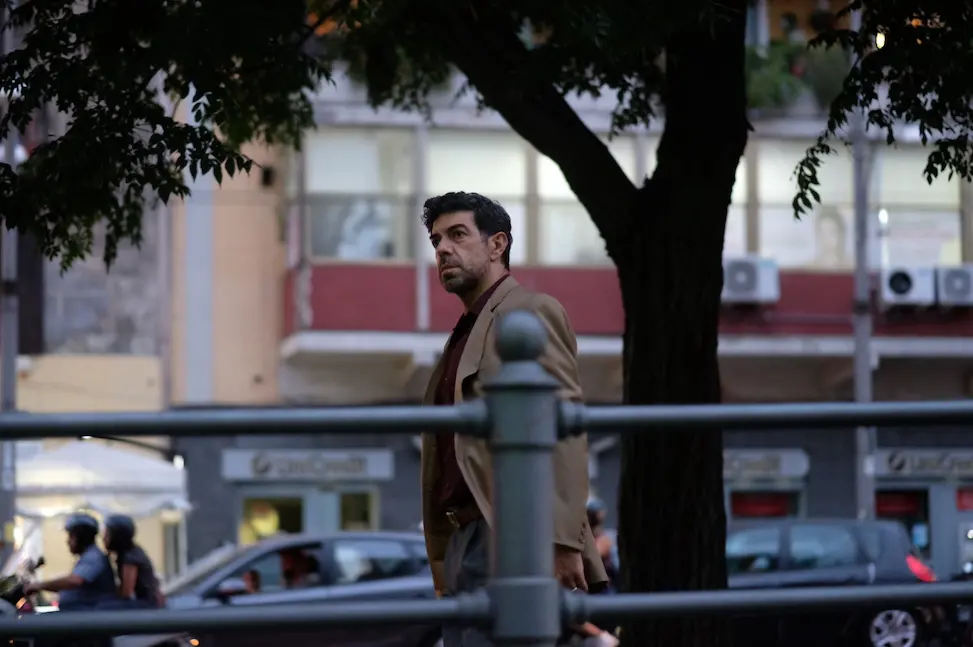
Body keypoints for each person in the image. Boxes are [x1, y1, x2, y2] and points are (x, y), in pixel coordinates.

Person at [419, 192, 607, 647]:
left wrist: (561, 541)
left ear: (497, 244)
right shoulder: (465, 331)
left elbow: (563, 430)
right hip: (466, 537)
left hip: (513, 532)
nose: (443, 249)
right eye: (436, 240)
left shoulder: (529, 311)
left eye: (457, 235)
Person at [24, 513, 116, 611]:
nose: (67, 541)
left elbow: (74, 581)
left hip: (86, 615)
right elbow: (69, 586)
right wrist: (42, 586)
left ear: (81, 537)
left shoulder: (93, 557)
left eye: (71, 536)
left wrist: (39, 585)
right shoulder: (87, 556)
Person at [102, 514, 164, 609]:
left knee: (102, 607)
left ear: (117, 537)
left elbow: (126, 593)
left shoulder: (130, 558)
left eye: (107, 534)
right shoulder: (130, 552)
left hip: (146, 604)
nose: (103, 538)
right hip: (147, 601)